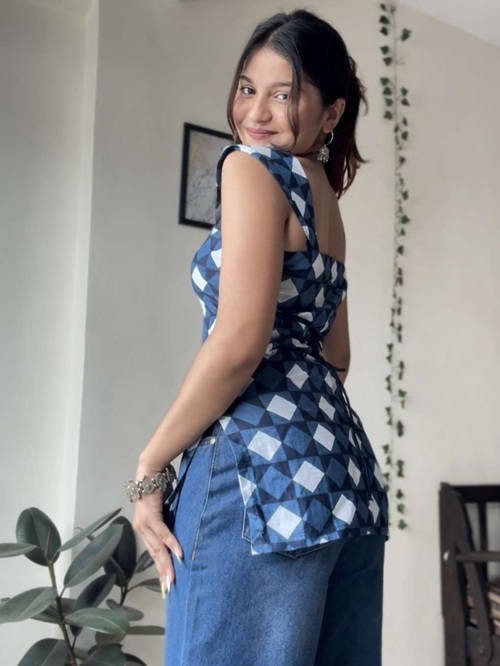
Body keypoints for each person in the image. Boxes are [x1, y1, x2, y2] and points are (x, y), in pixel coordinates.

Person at [130, 8, 390, 666]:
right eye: (249, 88)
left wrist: (150, 465)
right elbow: (336, 356)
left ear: (331, 114)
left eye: (284, 93)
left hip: (255, 475)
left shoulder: (251, 168)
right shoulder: (324, 197)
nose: (257, 112)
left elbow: (241, 341)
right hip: (346, 477)